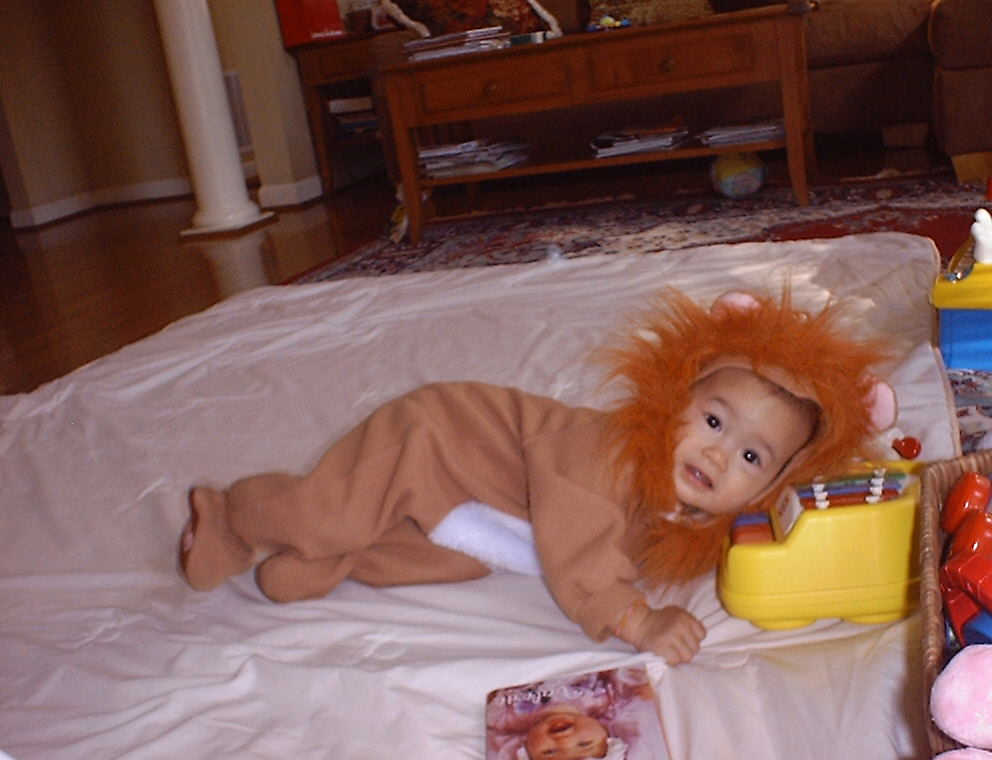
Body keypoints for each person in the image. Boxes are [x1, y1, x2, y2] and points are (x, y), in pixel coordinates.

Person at [178, 290, 897, 665]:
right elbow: (581, 548)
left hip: (487, 517)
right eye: (713, 421)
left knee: (438, 563)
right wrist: (636, 619)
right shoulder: (608, 450)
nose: (719, 455)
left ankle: (322, 564)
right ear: (675, 397)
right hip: (438, 441)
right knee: (332, 509)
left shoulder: (688, 510)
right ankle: (232, 515)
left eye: (752, 458)